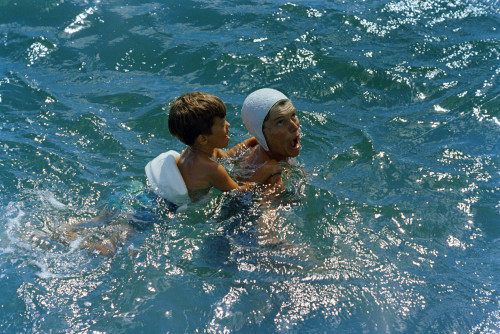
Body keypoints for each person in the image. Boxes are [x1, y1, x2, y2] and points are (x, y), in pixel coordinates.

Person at [166, 91, 281, 202]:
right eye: (222, 124)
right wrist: (264, 171)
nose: (228, 125)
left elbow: (229, 157)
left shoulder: (202, 149)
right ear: (203, 139)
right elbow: (239, 192)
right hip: (185, 205)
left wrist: (254, 140)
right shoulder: (210, 168)